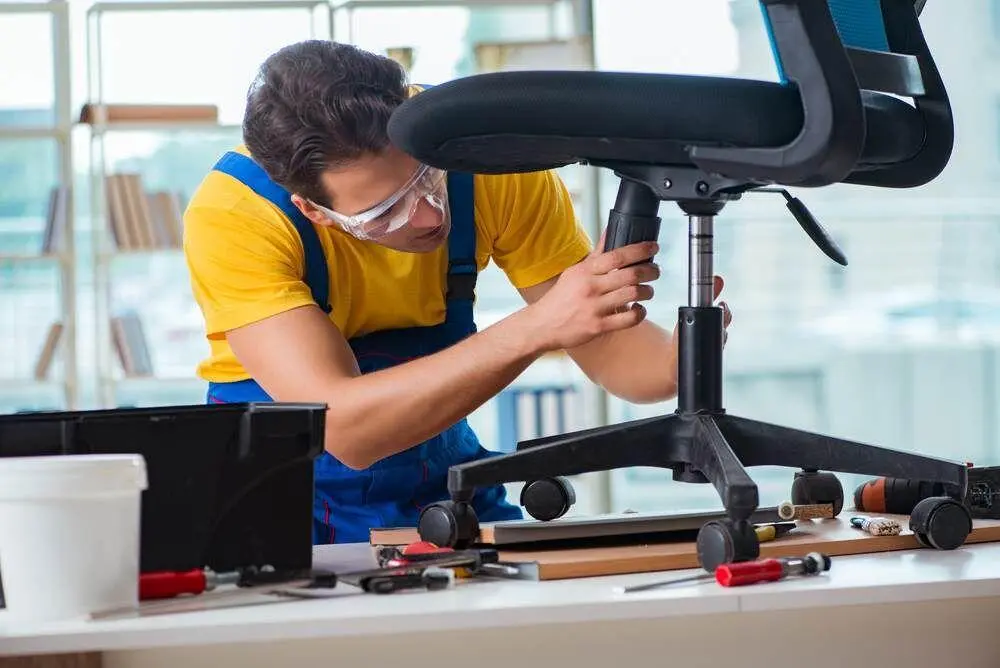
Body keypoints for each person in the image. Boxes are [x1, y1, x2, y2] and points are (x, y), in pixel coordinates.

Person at [182, 40, 733, 545]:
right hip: (280, 503)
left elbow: (620, 363)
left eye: (427, 177)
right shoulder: (237, 215)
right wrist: (539, 327)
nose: (427, 215)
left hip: (442, 487)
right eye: (385, 210)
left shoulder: (485, 162)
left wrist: (687, 353)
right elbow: (347, 431)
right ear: (313, 210)